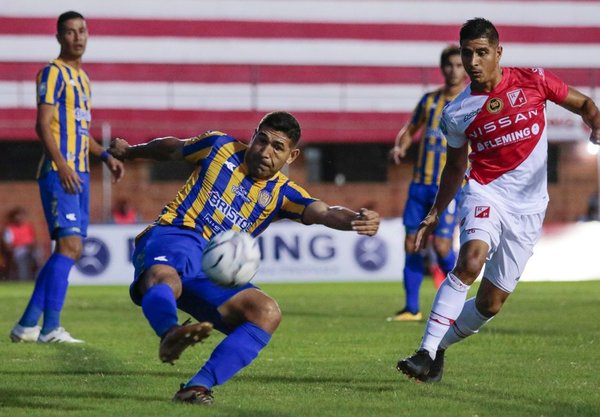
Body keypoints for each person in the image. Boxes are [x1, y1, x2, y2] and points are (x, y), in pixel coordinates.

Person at [108, 111, 381, 405]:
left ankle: (196, 387)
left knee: (266, 312)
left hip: (212, 271)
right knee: (164, 275)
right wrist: (130, 151)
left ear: (292, 156)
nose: (265, 151)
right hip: (177, 233)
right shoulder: (219, 147)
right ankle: (170, 333)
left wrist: (355, 219)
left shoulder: (283, 193)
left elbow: (324, 212)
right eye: (261, 140)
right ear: (253, 136)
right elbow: (172, 147)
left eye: (277, 147)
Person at [397, 17, 600, 383]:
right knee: (470, 259)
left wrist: (596, 123)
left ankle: (439, 347)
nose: (472, 61)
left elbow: (584, 103)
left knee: (491, 304)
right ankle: (424, 352)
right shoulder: (457, 111)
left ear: (498, 53)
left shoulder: (533, 80)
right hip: (485, 190)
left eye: (481, 53)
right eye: (466, 53)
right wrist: (436, 211)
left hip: (530, 208)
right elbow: (455, 166)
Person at [10, 11, 124, 344]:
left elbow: (80, 131)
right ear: (60, 37)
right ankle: (51, 328)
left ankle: (28, 324)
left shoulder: (84, 80)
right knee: (71, 246)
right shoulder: (52, 72)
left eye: (82, 31)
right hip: (61, 172)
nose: (78, 37)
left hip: (82, 173)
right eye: (71, 32)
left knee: (69, 247)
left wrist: (105, 156)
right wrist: (61, 163)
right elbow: (42, 124)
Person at [388, 46, 466, 321]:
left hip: (448, 187)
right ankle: (412, 308)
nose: (454, 70)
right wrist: (401, 146)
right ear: (442, 68)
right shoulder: (430, 101)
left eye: (459, 65)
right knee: (411, 243)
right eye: (449, 65)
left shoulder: (471, 102)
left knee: (442, 247)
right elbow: (410, 130)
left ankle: (459, 301)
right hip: (420, 185)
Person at [2, 207, 42, 281]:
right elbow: (7, 245)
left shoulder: (28, 227)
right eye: (17, 216)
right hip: (17, 249)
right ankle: (23, 279)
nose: (19, 218)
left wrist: (32, 247)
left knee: (38, 254)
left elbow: (33, 241)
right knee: (21, 258)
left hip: (29, 248)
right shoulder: (9, 229)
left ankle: (38, 276)